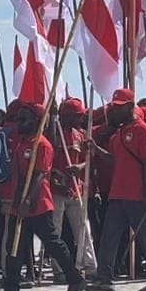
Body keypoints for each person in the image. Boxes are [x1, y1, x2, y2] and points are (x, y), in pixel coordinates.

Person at [88, 88, 146, 291]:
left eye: (119, 107)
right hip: (117, 194)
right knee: (108, 237)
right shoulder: (118, 134)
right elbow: (116, 161)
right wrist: (97, 150)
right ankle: (104, 279)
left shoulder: (142, 130)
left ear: (131, 107)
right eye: (114, 107)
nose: (114, 111)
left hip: (136, 194)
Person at [1, 100, 85, 291]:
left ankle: (75, 279)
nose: (19, 122)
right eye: (18, 118)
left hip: (37, 204)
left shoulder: (42, 144)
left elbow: (39, 175)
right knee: (13, 246)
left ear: (36, 120)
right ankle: (11, 289)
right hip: (18, 202)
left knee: (53, 243)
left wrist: (28, 201)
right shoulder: (21, 141)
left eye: (24, 119)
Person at [50, 97, 97, 281]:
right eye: (78, 116)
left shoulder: (81, 134)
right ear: (67, 116)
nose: (81, 119)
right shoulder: (54, 132)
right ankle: (59, 271)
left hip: (76, 188)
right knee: (55, 231)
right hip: (56, 189)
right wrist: (54, 118)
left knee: (83, 229)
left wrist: (80, 167)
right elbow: (49, 153)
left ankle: (89, 266)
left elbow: (90, 159)